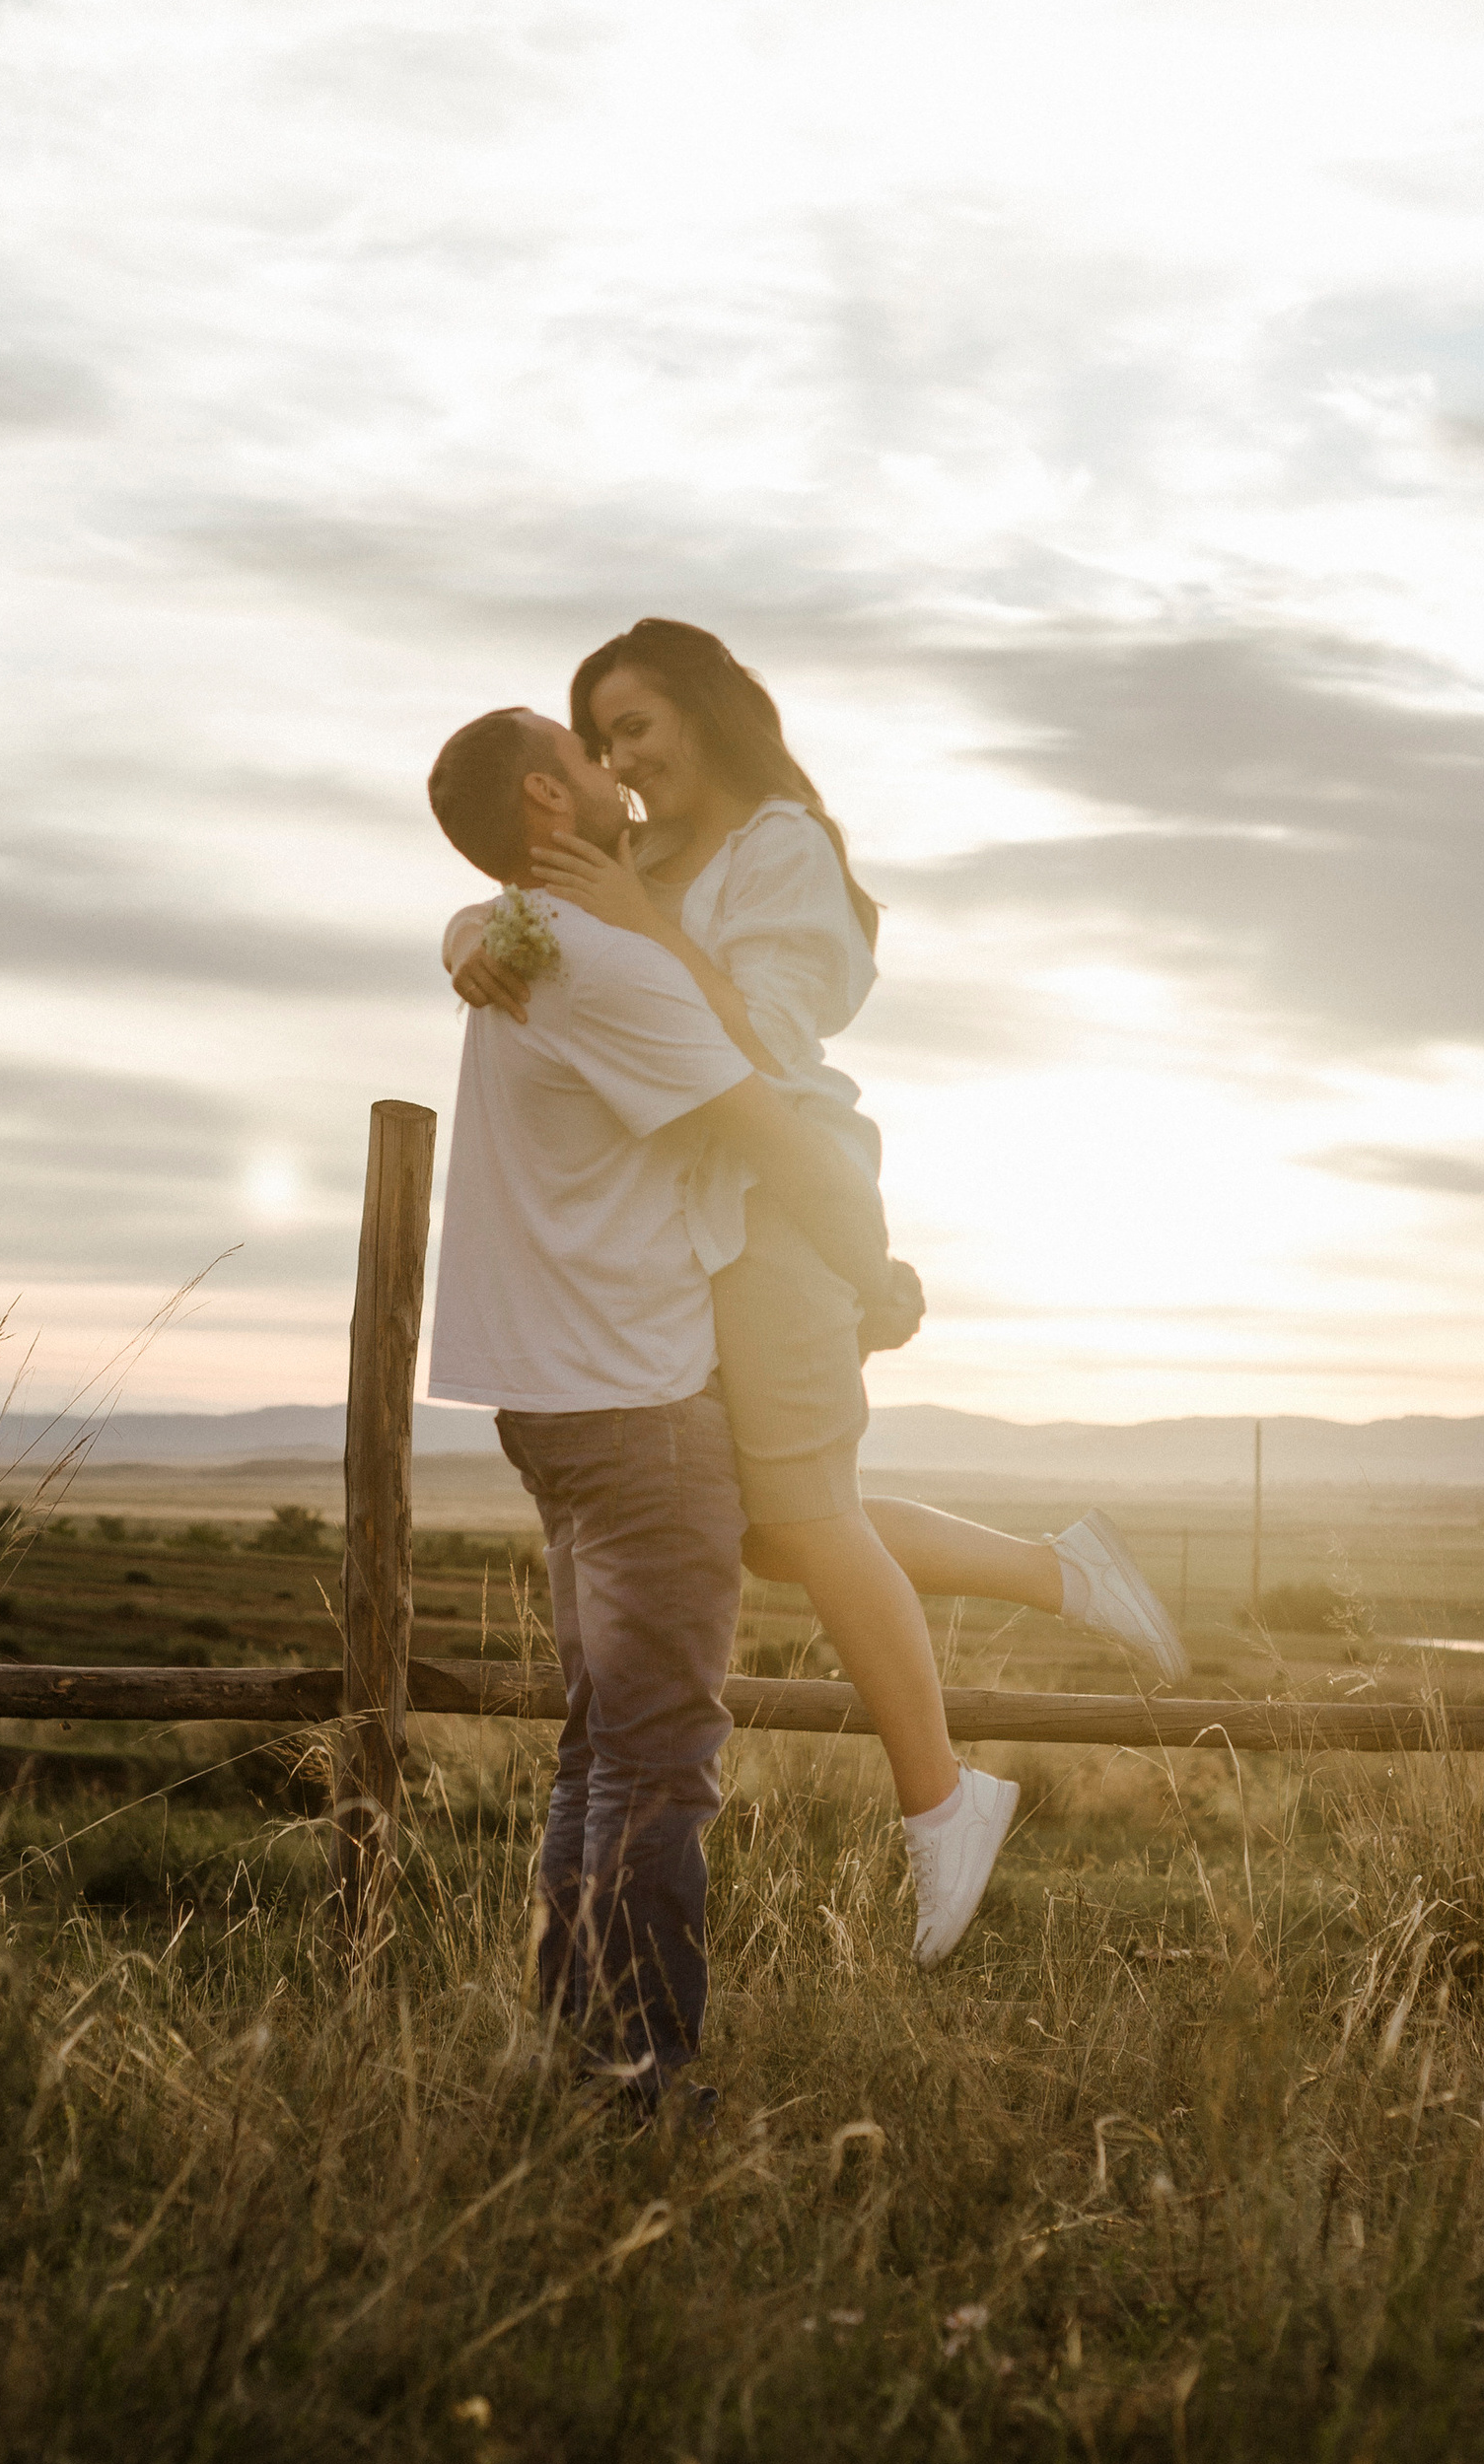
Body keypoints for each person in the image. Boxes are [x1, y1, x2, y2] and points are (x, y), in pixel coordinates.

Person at [444, 616, 1186, 1961]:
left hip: (780, 1196)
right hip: (711, 1215)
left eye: (641, 728)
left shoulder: (783, 852)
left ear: (709, 717)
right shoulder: (642, 854)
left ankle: (944, 1802)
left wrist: (863, 1257)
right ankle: (1057, 1569)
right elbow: (531, 904)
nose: (625, 759)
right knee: (774, 1526)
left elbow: (770, 1062)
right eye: (603, 739)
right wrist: (471, 931)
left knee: (788, 1513)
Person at [424, 702, 1010, 2115]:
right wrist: (876, 1277)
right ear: (548, 806)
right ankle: (640, 2075)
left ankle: (578, 2042)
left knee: (601, 1746)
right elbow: (775, 1135)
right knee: (663, 1761)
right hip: (636, 1406)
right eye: (580, 751)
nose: (610, 761)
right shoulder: (602, 967)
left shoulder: (518, 953)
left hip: (550, 1404)